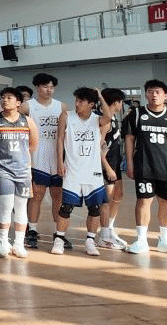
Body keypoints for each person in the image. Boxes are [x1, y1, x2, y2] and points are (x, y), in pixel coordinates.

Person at [123, 79, 167, 256]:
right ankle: (141, 240)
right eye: (150, 91)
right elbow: (129, 140)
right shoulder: (137, 114)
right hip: (144, 166)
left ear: (165, 95)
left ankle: (165, 241)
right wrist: (129, 163)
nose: (154, 95)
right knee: (144, 201)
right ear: (145, 94)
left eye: (158, 92)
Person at [52, 87, 112, 256]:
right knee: (66, 207)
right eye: (76, 100)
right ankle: (59, 240)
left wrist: (100, 96)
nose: (77, 104)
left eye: (81, 101)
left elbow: (108, 116)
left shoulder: (97, 119)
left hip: (92, 171)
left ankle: (90, 241)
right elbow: (60, 139)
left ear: (91, 104)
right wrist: (59, 162)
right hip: (72, 169)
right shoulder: (66, 116)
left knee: (94, 208)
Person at [0, 87, 38, 259]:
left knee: (21, 207)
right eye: (3, 97)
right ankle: (3, 241)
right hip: (3, 170)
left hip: (23, 171)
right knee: (6, 205)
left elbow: (33, 144)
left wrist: (20, 157)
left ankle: (19, 243)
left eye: (9, 97)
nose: (5, 100)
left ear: (18, 102)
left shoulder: (27, 121)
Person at [22, 72, 66, 250]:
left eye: (51, 87)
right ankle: (32, 230)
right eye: (45, 86)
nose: (49, 90)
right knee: (37, 194)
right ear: (37, 88)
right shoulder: (27, 106)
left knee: (58, 196)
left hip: (57, 156)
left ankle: (58, 233)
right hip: (37, 155)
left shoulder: (61, 106)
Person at [96, 88, 128, 250]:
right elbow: (99, 147)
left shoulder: (114, 117)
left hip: (116, 163)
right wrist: (107, 168)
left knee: (118, 194)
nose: (122, 105)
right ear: (116, 102)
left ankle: (109, 228)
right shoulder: (105, 120)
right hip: (106, 165)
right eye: (121, 102)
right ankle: (104, 235)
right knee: (106, 201)